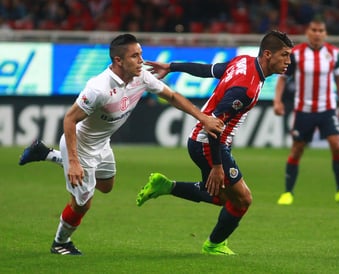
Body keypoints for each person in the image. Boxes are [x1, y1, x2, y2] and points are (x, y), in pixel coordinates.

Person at [18, 33, 224, 255]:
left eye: (141, 54)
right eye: (135, 56)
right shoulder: (98, 88)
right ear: (118, 61)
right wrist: (75, 162)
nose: (141, 60)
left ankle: (45, 153)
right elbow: (69, 119)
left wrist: (203, 118)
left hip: (102, 144)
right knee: (83, 203)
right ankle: (60, 242)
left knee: (106, 186)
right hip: (81, 145)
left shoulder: (141, 77)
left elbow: (172, 96)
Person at [136, 30, 294, 255]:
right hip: (208, 142)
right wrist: (218, 166)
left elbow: (208, 70)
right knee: (242, 200)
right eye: (285, 55)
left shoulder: (244, 62)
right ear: (268, 54)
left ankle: (166, 186)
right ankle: (214, 245)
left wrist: (171, 66)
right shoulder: (245, 89)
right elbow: (213, 125)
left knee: (221, 197)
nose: (288, 61)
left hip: (206, 141)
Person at [273, 19, 339, 205]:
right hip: (304, 110)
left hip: (327, 109)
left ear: (325, 33)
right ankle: (288, 192)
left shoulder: (333, 53)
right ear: (307, 32)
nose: (317, 33)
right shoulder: (297, 54)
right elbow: (283, 79)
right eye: (314, 30)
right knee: (297, 150)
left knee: (336, 144)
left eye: (321, 30)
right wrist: (277, 101)